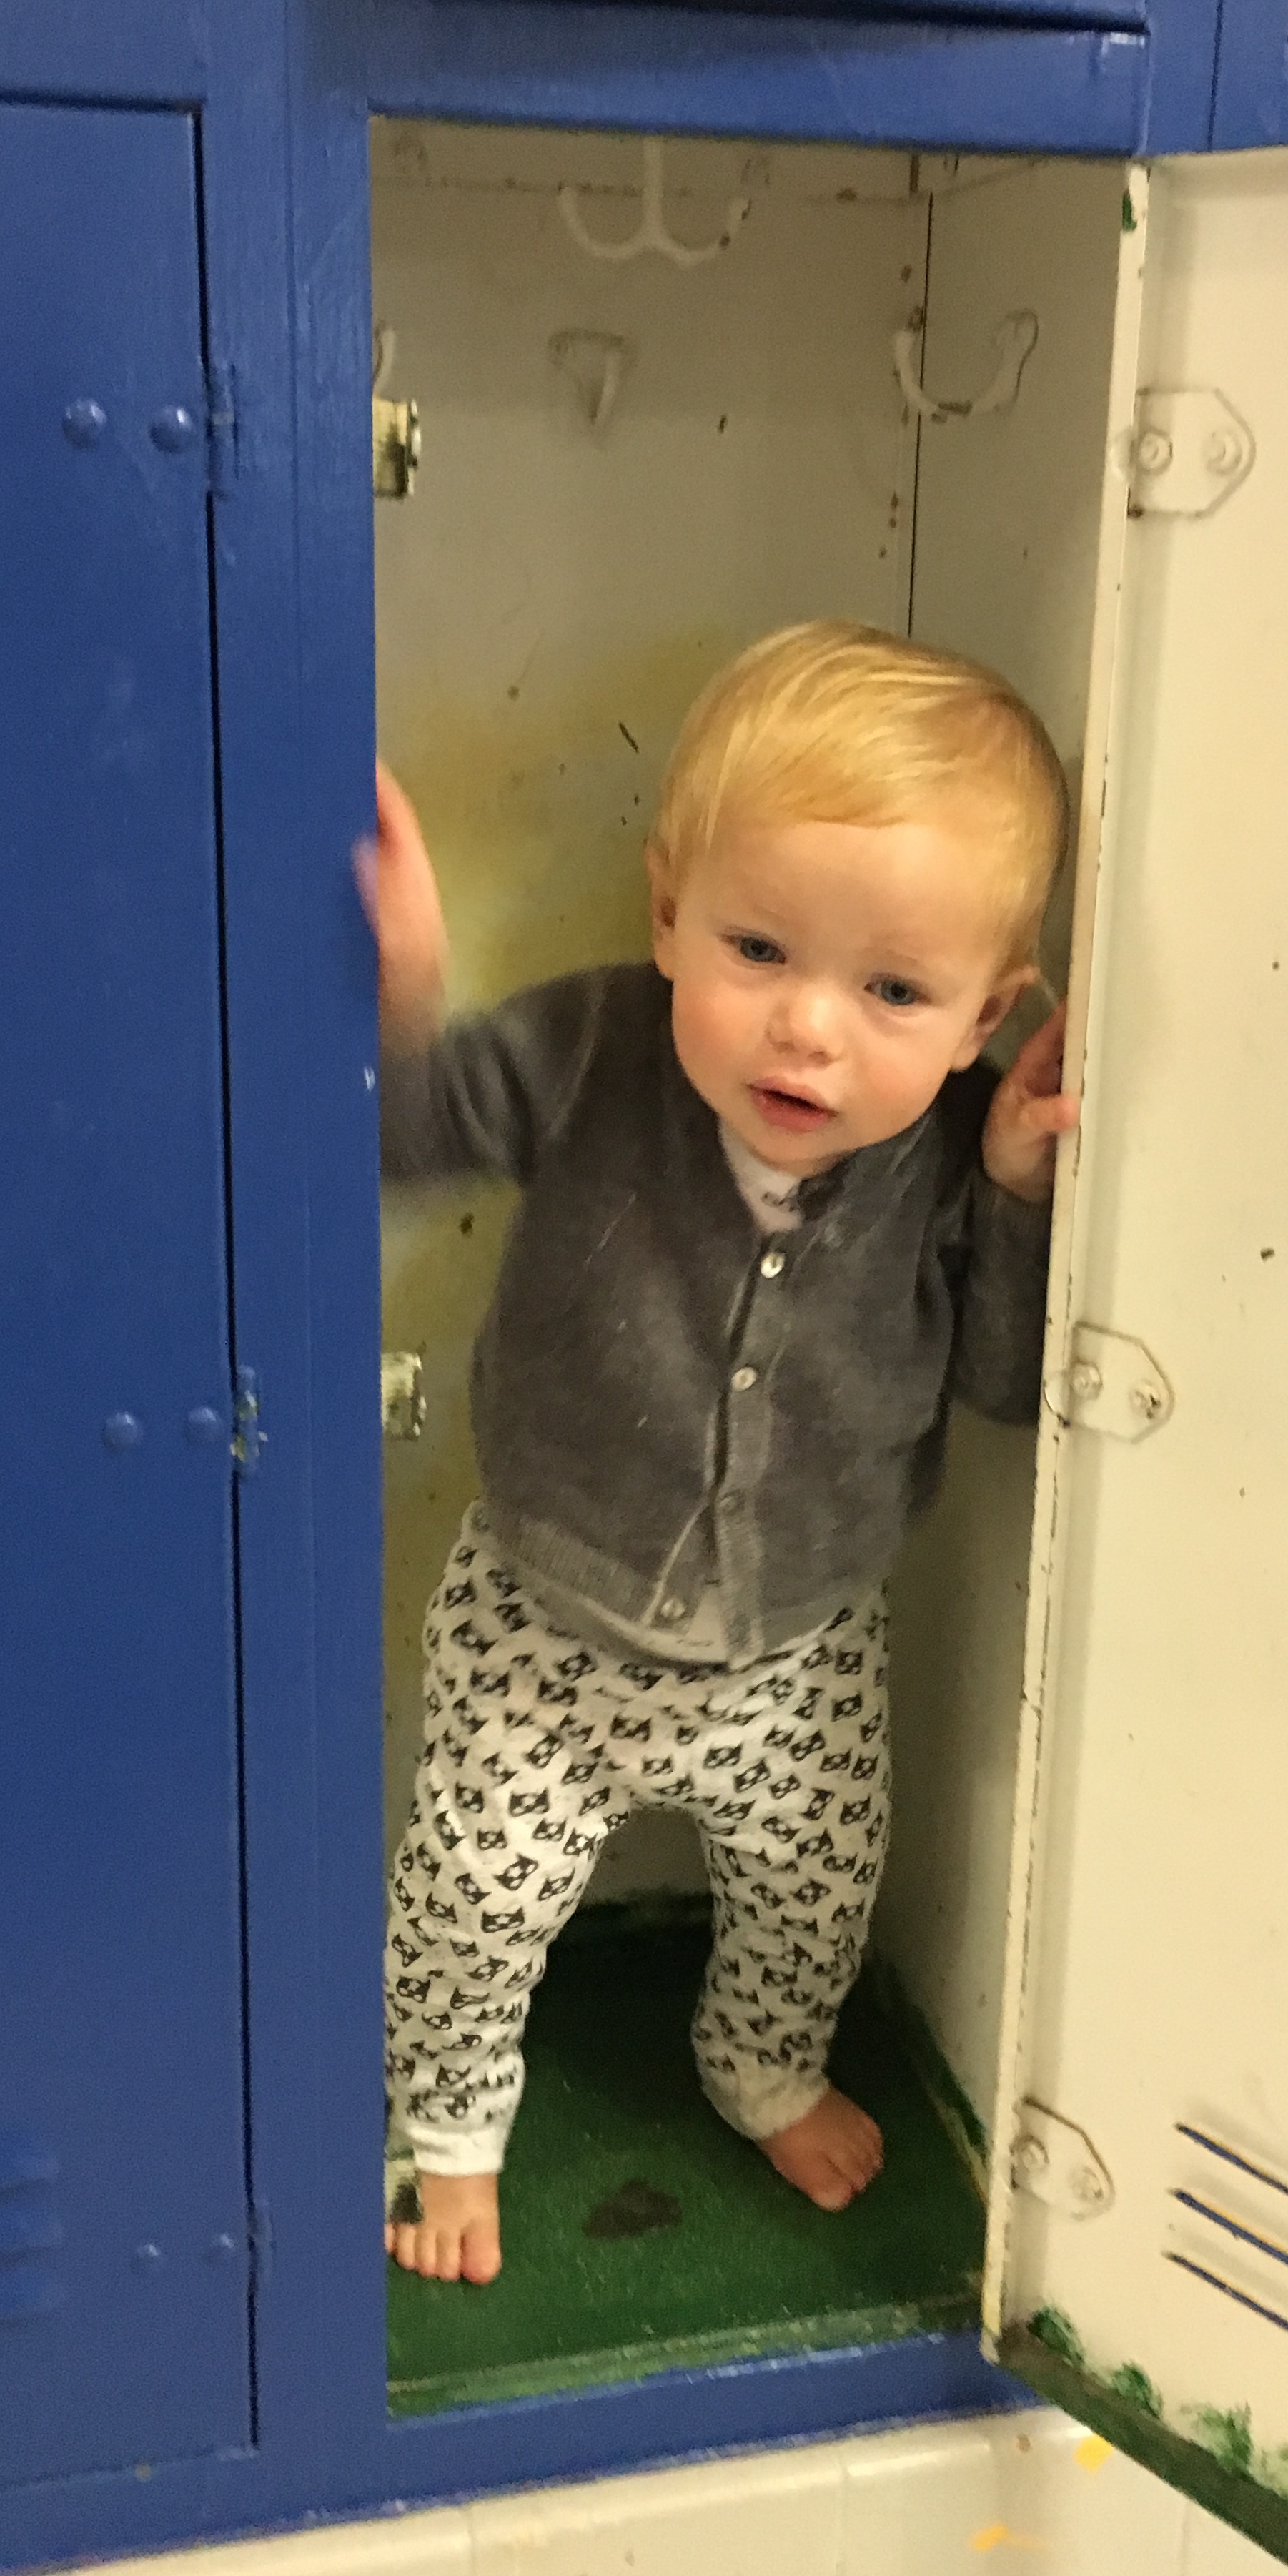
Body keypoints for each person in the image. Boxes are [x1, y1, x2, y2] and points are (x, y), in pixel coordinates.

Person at [365, 618, 1077, 2286]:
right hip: (543, 1625)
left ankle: (758, 2068)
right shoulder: (600, 1047)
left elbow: (996, 1379)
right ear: (668, 907)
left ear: (992, 1012)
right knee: (469, 1903)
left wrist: (1026, 1191)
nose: (809, 1032)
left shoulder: (942, 1170)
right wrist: (402, 993)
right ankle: (454, 2121)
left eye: (895, 990)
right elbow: (401, 1135)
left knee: (816, 1893)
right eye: (759, 948)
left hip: (800, 1646)